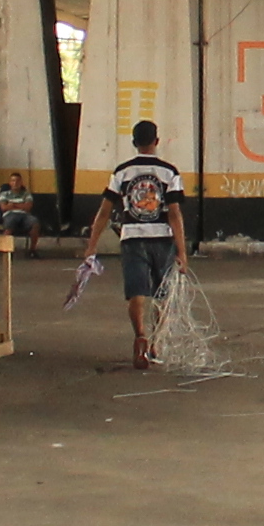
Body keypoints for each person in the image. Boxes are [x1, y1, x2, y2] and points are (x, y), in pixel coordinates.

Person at [85, 118, 189, 372]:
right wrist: (182, 251)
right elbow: (174, 213)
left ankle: (140, 336)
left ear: (134, 143)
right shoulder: (169, 172)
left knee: (136, 292)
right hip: (162, 239)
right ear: (156, 141)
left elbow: (104, 212)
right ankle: (155, 343)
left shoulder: (122, 172)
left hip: (132, 237)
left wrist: (92, 245)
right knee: (162, 295)